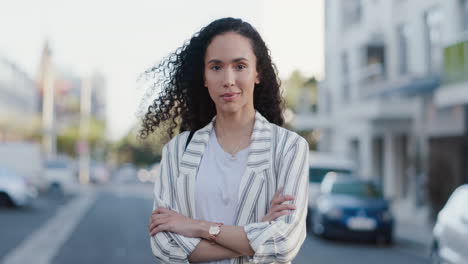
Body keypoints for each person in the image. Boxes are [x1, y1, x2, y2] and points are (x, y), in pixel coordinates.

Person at [140, 17, 309, 264]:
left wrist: (198, 227)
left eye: (240, 66)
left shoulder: (289, 148)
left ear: (257, 73)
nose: (228, 79)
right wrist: (257, 234)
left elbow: (283, 244)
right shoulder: (178, 150)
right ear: (204, 77)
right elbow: (165, 247)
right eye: (216, 67)